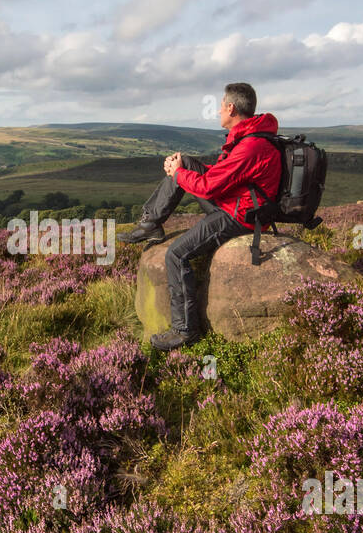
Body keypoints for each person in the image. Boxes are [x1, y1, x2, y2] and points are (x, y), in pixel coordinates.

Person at [119, 82, 282, 350]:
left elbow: (208, 186)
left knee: (176, 254)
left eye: (221, 105)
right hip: (233, 203)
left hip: (239, 217)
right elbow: (217, 176)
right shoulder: (247, 137)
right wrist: (180, 168)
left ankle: (185, 330)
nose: (218, 110)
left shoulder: (250, 147)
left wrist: (177, 174)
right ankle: (151, 223)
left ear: (231, 107)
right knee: (186, 162)